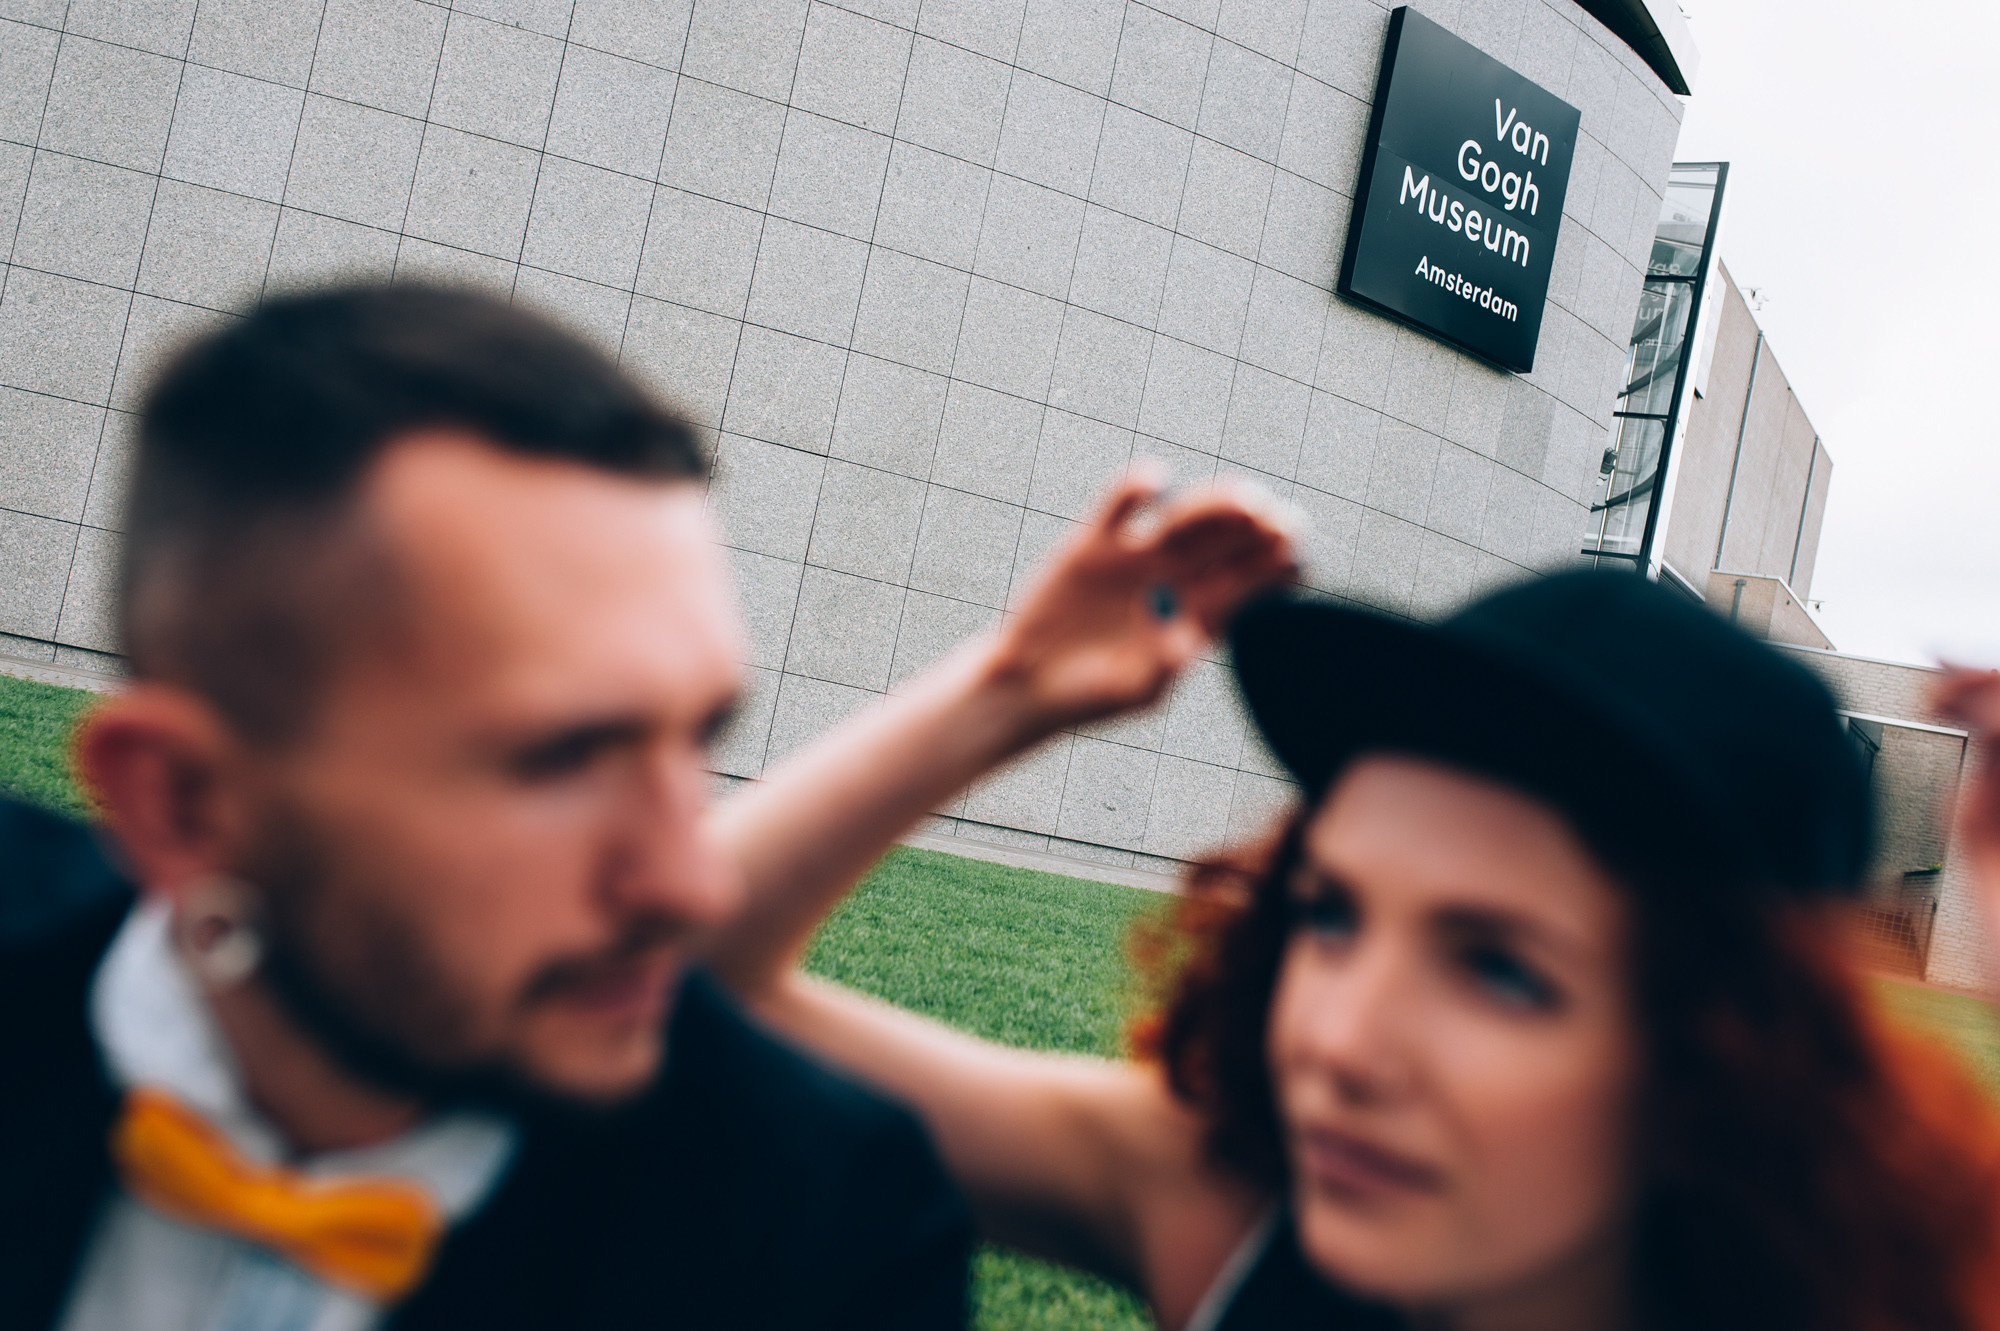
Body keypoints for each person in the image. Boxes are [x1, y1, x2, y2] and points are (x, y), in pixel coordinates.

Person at [2, 283, 1296, 1330]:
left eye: (701, 741)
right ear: (178, 803)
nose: (694, 883)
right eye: (560, 758)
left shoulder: (814, 1235)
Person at [713, 571, 2000, 1330]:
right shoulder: (1232, 1218)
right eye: (1330, 914)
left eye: (1499, 968)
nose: (1336, 1038)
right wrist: (1003, 688)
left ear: (1720, 1060)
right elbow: (682, 991)